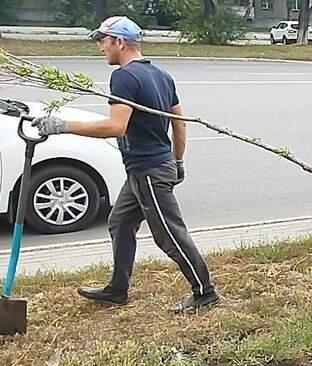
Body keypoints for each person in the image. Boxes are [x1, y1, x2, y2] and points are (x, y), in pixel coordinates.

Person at [32, 16, 219, 312]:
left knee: (170, 234)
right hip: (145, 169)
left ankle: (204, 291)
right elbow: (180, 124)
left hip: (149, 171)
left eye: (103, 40)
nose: (100, 47)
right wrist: (178, 161)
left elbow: (116, 127)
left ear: (119, 42)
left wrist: (62, 125)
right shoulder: (160, 75)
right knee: (120, 222)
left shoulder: (124, 77)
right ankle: (117, 289)